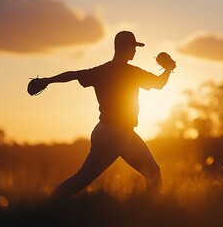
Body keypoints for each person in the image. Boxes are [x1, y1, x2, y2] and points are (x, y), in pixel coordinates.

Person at [36, 31, 175, 202]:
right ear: (126, 48)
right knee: (83, 178)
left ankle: (156, 212)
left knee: (152, 170)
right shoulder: (131, 72)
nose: (135, 51)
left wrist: (47, 81)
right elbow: (159, 84)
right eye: (133, 47)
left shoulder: (101, 71)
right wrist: (168, 69)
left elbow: (74, 74)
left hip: (119, 133)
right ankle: (48, 204)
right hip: (113, 135)